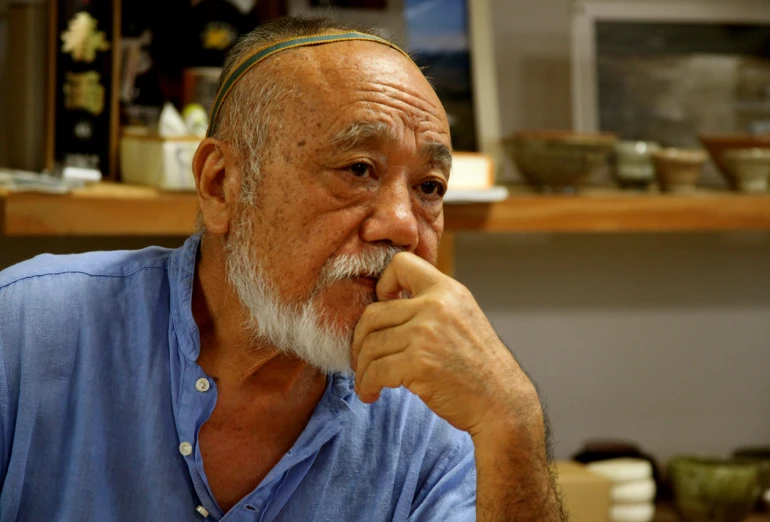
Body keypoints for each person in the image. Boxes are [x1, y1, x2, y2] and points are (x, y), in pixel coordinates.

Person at [0, 16, 566, 522]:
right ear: (221, 184)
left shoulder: (439, 417)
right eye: (359, 168)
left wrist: (512, 422)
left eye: (429, 188)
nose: (401, 225)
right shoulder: (28, 332)